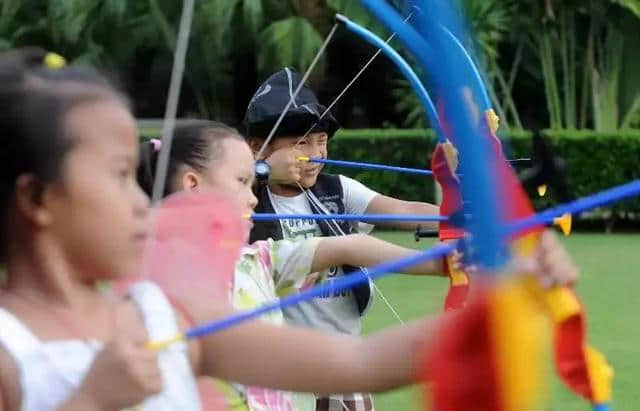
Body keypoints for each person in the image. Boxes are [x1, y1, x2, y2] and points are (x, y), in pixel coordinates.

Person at [0, 49, 577, 411]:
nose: (142, 200)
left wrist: (508, 292)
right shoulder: (10, 348)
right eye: (122, 176)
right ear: (36, 199)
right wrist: (92, 401)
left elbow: (360, 365)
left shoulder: (170, 314)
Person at [137, 121, 453, 411]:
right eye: (242, 182)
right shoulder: (154, 284)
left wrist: (442, 263)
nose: (253, 199)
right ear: (193, 185)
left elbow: (352, 246)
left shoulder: (259, 261)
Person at [244, 68, 442, 410]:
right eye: (301, 142)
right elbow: (203, 190)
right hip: (281, 374)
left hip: (342, 366)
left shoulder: (337, 191)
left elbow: (405, 210)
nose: (316, 153)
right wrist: (261, 171)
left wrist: (459, 217)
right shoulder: (243, 199)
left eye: (321, 140)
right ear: (259, 147)